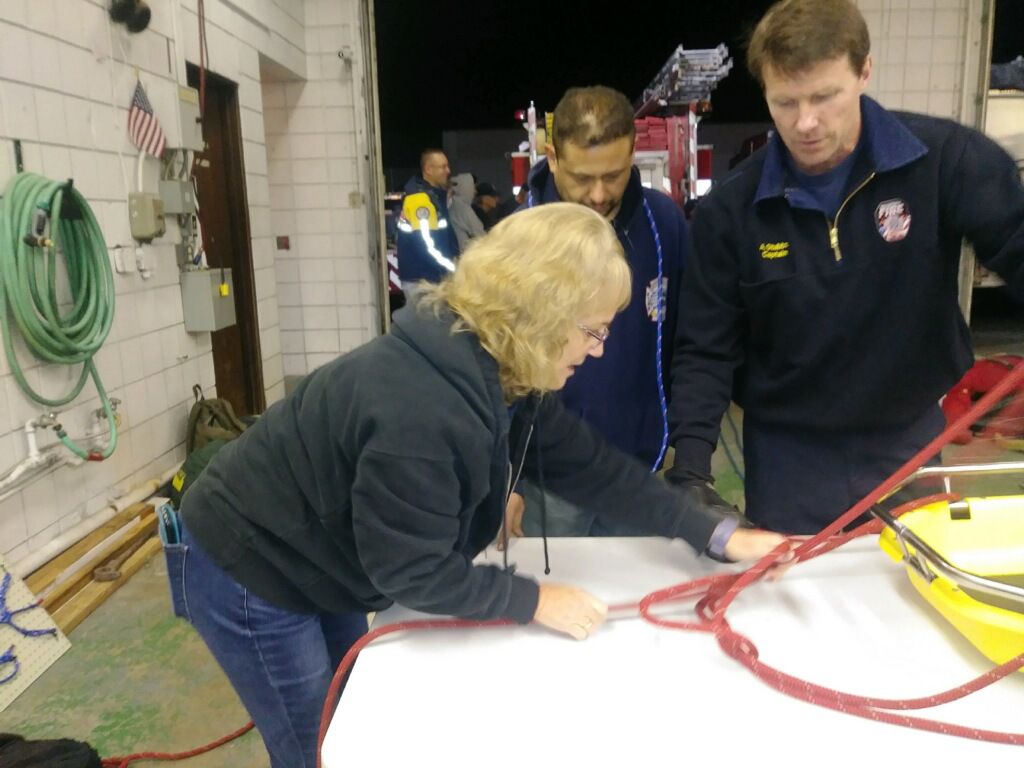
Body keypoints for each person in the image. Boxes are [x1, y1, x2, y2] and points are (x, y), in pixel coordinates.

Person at [166, 204, 791, 768]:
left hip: (312, 546)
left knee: (352, 711)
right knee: (319, 749)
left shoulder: (494, 366)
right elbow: (409, 572)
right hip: (248, 563)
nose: (598, 351)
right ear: (542, 312)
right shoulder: (423, 408)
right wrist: (534, 601)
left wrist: (715, 532)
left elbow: (594, 469)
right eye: (593, 329)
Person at [666, 0, 1024, 534]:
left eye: (824, 97)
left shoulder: (944, 162)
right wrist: (691, 466)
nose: (805, 122)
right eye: (785, 102)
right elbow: (705, 347)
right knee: (792, 603)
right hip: (789, 459)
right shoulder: (732, 210)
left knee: (911, 595)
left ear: (864, 72)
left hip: (910, 440)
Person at [511, 85, 691, 537]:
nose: (597, 194)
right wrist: (506, 474)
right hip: (548, 482)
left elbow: (689, 343)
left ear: (633, 154)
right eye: (581, 177)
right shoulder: (517, 239)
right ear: (551, 157)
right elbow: (494, 370)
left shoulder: (664, 225)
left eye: (613, 175)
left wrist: (685, 449)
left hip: (639, 470)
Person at [396, 148, 460, 285]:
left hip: (429, 277)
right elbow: (427, 246)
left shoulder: (433, 197)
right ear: (429, 169)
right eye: (443, 167)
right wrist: (455, 270)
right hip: (425, 280)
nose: (448, 171)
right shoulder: (420, 201)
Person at [448, 172, 486, 250]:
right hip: (464, 253)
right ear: (466, 188)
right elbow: (479, 233)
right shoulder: (463, 208)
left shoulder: (450, 204)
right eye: (473, 188)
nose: (475, 192)